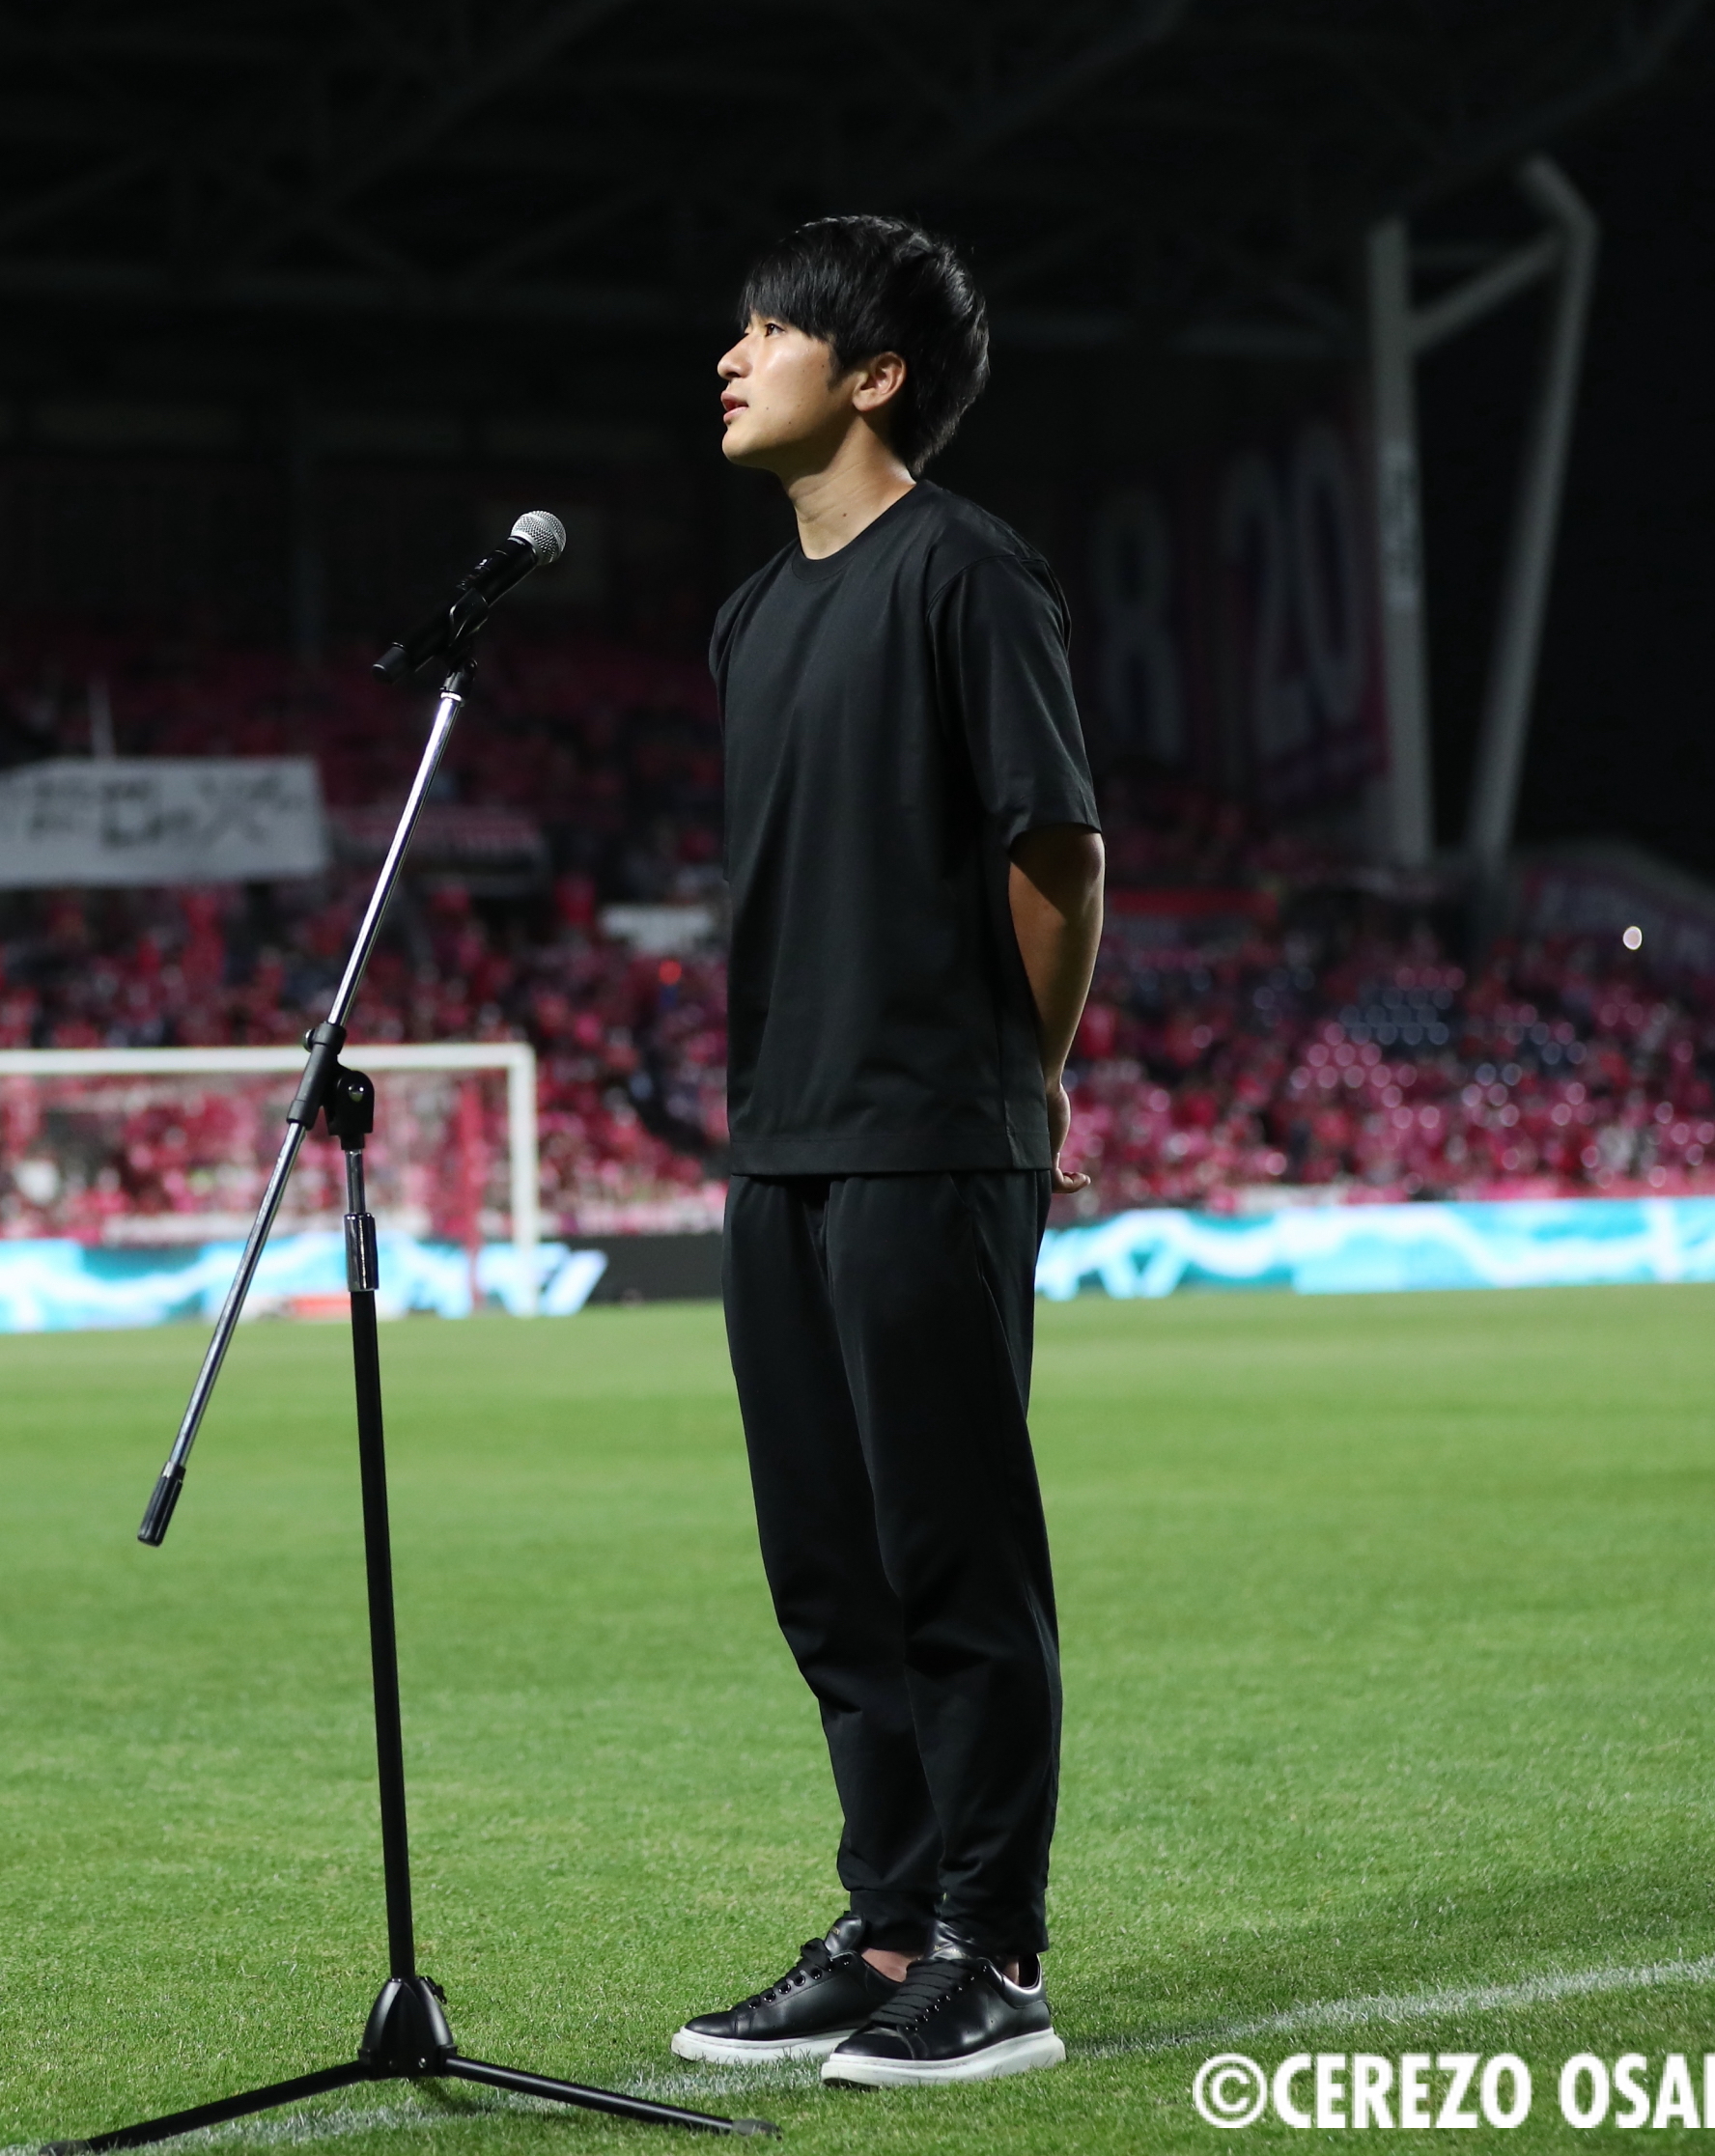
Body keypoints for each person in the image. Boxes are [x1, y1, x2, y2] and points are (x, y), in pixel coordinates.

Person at [670, 215, 1106, 2088]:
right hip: (778, 1154)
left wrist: (1025, 1078)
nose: (728, 353)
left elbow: (1056, 853)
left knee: (950, 1559)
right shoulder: (749, 618)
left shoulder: (967, 570)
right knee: (826, 1569)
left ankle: (992, 1954)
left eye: (767, 329)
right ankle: (891, 1921)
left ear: (872, 374)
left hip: (932, 1133)